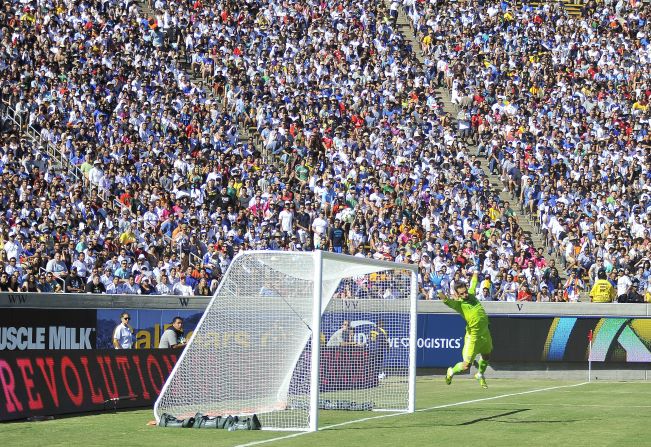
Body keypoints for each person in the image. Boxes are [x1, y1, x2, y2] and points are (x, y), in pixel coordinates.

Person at [439, 272, 492, 389]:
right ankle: (451, 372)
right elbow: (446, 300)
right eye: (462, 294)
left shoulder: (471, 294)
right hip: (473, 336)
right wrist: (439, 289)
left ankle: (480, 374)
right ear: (457, 295)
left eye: (465, 291)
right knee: (466, 366)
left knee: (486, 355)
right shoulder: (458, 304)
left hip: (485, 333)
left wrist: (475, 273)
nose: (465, 294)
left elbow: (473, 283)